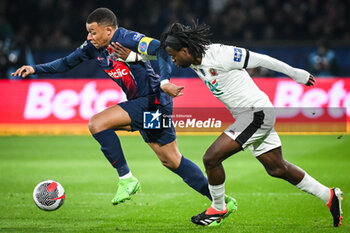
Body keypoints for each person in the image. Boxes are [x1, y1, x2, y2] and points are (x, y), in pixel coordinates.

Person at [11, 8, 237, 225]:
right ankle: (221, 201)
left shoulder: (127, 38)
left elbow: (161, 49)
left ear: (109, 30)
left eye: (93, 31)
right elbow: (67, 62)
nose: (89, 36)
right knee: (171, 159)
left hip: (152, 99)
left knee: (97, 123)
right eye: (88, 31)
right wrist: (35, 69)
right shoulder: (93, 47)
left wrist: (162, 78)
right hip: (150, 104)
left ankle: (126, 178)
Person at [157, 22, 343, 227]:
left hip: (257, 114)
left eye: (174, 56)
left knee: (211, 158)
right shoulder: (191, 59)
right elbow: (156, 53)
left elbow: (262, 59)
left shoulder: (221, 54)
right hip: (248, 116)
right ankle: (329, 195)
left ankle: (218, 208)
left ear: (185, 50)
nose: (173, 60)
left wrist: (295, 74)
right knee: (277, 168)